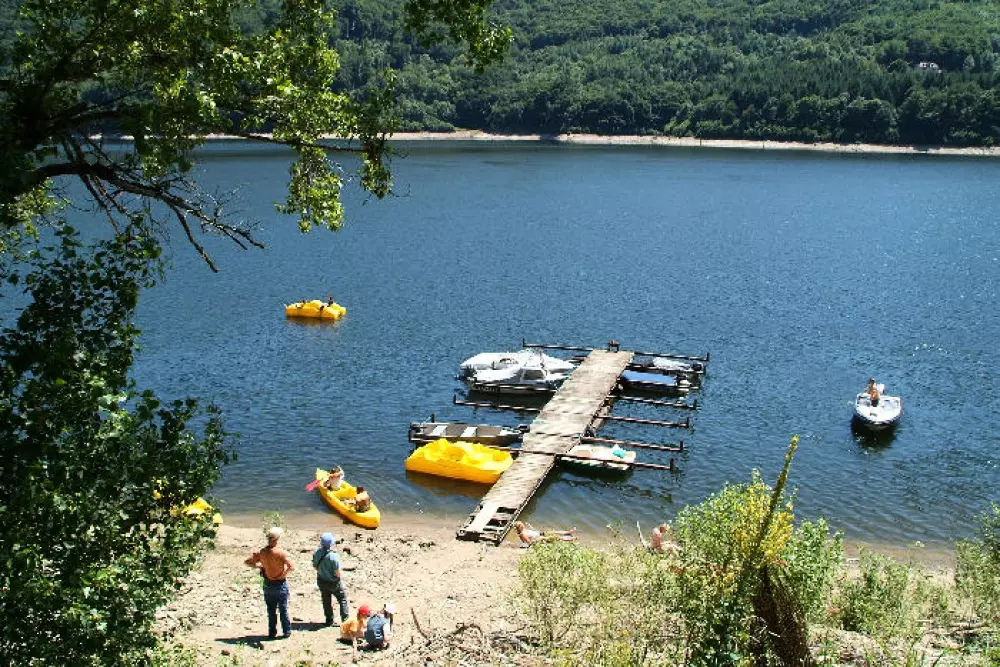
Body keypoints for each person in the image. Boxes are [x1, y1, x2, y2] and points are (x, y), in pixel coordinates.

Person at [244, 526, 295, 639]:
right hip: (280, 584)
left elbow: (247, 562)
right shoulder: (280, 553)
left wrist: (260, 566)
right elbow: (291, 567)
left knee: (271, 611)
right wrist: (283, 574)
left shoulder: (262, 552)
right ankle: (286, 632)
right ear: (276, 539)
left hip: (268, 584)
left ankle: (272, 632)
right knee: (283, 609)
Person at [313, 532, 350, 626]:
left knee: (326, 600)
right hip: (333, 582)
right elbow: (337, 572)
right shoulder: (333, 556)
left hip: (322, 581)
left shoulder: (317, 553)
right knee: (342, 598)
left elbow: (315, 566)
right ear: (331, 544)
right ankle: (345, 620)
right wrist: (339, 578)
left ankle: (329, 620)